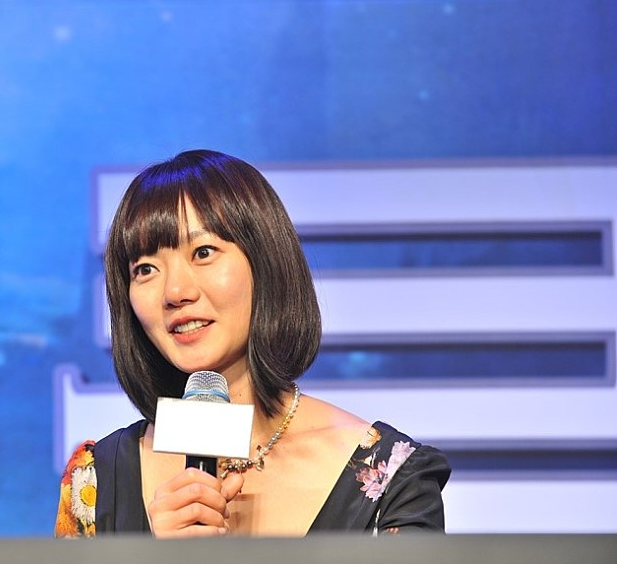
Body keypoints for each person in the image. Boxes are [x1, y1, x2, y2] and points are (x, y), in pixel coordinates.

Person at [55, 149, 450, 538]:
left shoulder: (392, 479)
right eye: (145, 269)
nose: (174, 292)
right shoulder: (97, 481)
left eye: (203, 252)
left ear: (265, 263)